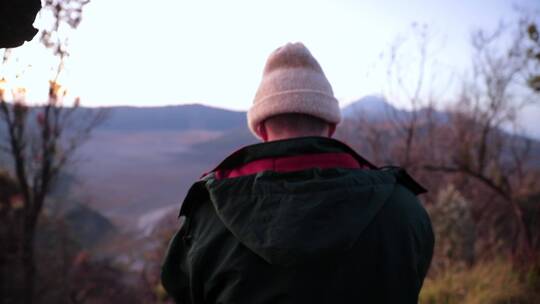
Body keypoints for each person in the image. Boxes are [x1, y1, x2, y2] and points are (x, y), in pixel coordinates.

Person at [161, 42, 434, 304]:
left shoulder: (207, 219)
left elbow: (182, 289)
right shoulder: (404, 208)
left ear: (261, 129)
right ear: (331, 126)